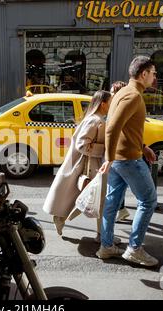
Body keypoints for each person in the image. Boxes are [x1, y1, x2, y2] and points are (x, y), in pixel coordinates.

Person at [96, 56, 159, 267]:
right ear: (143, 74)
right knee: (148, 201)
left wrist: (143, 147)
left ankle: (106, 246)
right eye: (153, 73)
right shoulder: (133, 96)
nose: (155, 77)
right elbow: (112, 127)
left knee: (112, 202)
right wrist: (110, 158)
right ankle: (134, 249)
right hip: (128, 160)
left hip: (121, 158)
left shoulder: (123, 92)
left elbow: (126, 128)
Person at [43, 90, 112, 236]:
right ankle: (102, 236)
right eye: (110, 102)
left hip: (88, 164)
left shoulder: (94, 118)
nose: (112, 105)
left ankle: (62, 218)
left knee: (90, 199)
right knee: (99, 200)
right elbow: (82, 145)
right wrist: (105, 148)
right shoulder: (95, 120)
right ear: (103, 103)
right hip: (89, 165)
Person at [110, 81, 130, 223]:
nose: (110, 94)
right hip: (118, 154)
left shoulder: (120, 108)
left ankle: (120, 209)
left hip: (121, 155)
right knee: (118, 185)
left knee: (118, 185)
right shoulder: (116, 107)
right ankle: (121, 209)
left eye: (112, 92)